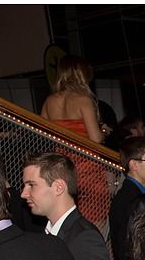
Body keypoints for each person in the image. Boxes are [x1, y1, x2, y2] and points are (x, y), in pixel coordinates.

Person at [40, 55, 110, 224]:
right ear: (82, 75)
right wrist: (104, 131)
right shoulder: (83, 100)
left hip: (62, 165)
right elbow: (95, 139)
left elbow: (41, 133)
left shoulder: (49, 101)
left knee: (67, 216)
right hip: (87, 166)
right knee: (96, 219)